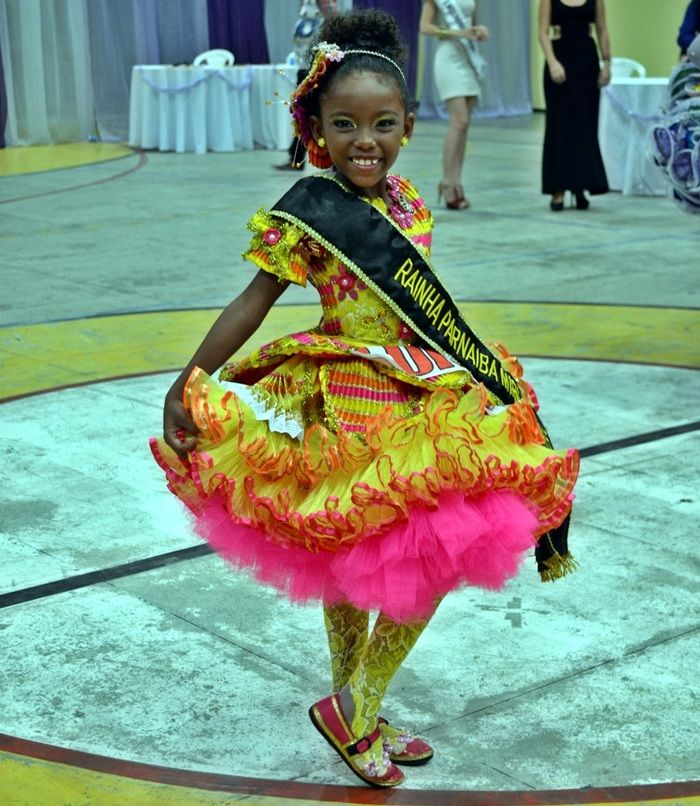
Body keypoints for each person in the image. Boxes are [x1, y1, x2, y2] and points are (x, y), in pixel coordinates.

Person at [151, 8, 579, 789]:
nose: (365, 141)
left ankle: (360, 705)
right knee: (389, 557)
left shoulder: (412, 201)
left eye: (383, 123)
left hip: (419, 390)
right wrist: (191, 379)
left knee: (414, 555)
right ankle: (358, 706)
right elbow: (252, 302)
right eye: (344, 124)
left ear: (409, 125)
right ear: (317, 127)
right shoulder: (312, 211)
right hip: (348, 396)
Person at [538, 0, 610, 211]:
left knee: (584, 125)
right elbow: (543, 33)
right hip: (559, 58)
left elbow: (602, 29)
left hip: (586, 59)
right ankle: (558, 188)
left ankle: (581, 184)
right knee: (559, 125)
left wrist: (607, 64)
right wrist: (552, 62)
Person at [419, 0, 488, 209]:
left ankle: (456, 181)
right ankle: (448, 182)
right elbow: (424, 27)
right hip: (449, 57)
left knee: (464, 126)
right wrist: (458, 34)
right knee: (459, 120)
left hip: (469, 57)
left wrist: (479, 31)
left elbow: (472, 23)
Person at [274, 0, 338, 171]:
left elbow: (334, 21)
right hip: (305, 66)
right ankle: (296, 158)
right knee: (303, 114)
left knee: (312, 114)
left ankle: (335, 161)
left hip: (316, 67)